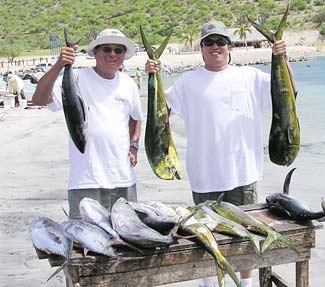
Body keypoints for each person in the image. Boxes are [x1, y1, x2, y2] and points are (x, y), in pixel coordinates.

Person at [145, 20, 297, 287]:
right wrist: (152, 73)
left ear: (230, 47)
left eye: (220, 42)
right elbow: (160, 114)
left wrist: (282, 58)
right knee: (205, 236)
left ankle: (246, 284)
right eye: (209, 42)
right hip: (205, 176)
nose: (215, 47)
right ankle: (210, 283)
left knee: (246, 236)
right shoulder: (187, 82)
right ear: (201, 48)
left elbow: (289, 93)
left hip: (244, 173)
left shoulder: (249, 76)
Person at [32, 29, 143, 219]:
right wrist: (60, 65)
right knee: (87, 244)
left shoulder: (128, 83)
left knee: (127, 241)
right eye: (106, 49)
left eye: (118, 50)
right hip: (86, 181)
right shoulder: (77, 78)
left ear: (124, 55)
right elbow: (40, 99)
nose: (112, 54)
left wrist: (134, 146)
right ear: (96, 53)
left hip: (123, 178)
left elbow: (136, 117)